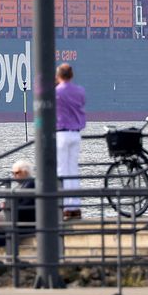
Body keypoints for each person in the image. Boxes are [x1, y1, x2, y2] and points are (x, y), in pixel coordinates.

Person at [0, 160, 36, 251]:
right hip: (14, 216)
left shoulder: (30, 185)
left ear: (25, 172)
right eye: (13, 173)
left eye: (16, 173)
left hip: (19, 220)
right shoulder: (23, 185)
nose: (14, 176)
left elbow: (26, 206)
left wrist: (8, 207)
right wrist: (1, 206)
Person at [54, 63, 86, 220]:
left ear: (59, 75)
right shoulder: (80, 91)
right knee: (74, 170)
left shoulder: (56, 92)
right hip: (75, 134)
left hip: (61, 134)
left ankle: (65, 207)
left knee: (62, 171)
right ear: (71, 75)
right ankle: (76, 207)